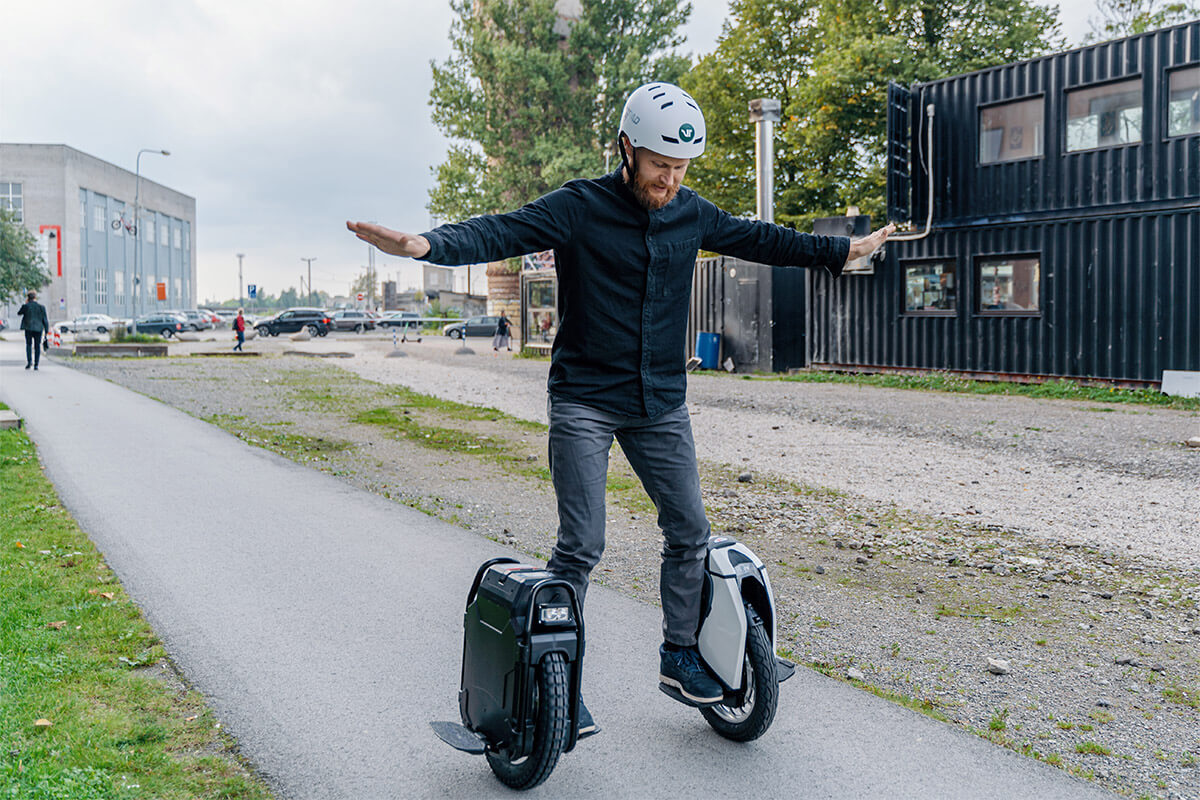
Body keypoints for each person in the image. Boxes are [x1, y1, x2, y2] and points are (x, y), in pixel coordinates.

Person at [348, 82, 892, 719]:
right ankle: (556, 681)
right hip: (584, 398)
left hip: (659, 400)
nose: (669, 180)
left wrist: (840, 250)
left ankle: (680, 655)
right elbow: (502, 230)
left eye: (681, 168)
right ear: (628, 149)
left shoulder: (692, 212)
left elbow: (761, 240)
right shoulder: (580, 206)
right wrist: (426, 246)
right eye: (660, 165)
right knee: (582, 545)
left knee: (690, 531)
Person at [17, 290, 49, 371]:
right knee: (37, 346)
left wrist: (25, 303)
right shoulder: (41, 307)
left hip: (28, 328)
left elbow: (19, 313)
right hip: (38, 329)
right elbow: (45, 320)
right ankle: (36, 364)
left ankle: (29, 362)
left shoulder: (26, 306)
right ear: (35, 297)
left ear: (28, 298)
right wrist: (46, 331)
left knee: (28, 345)